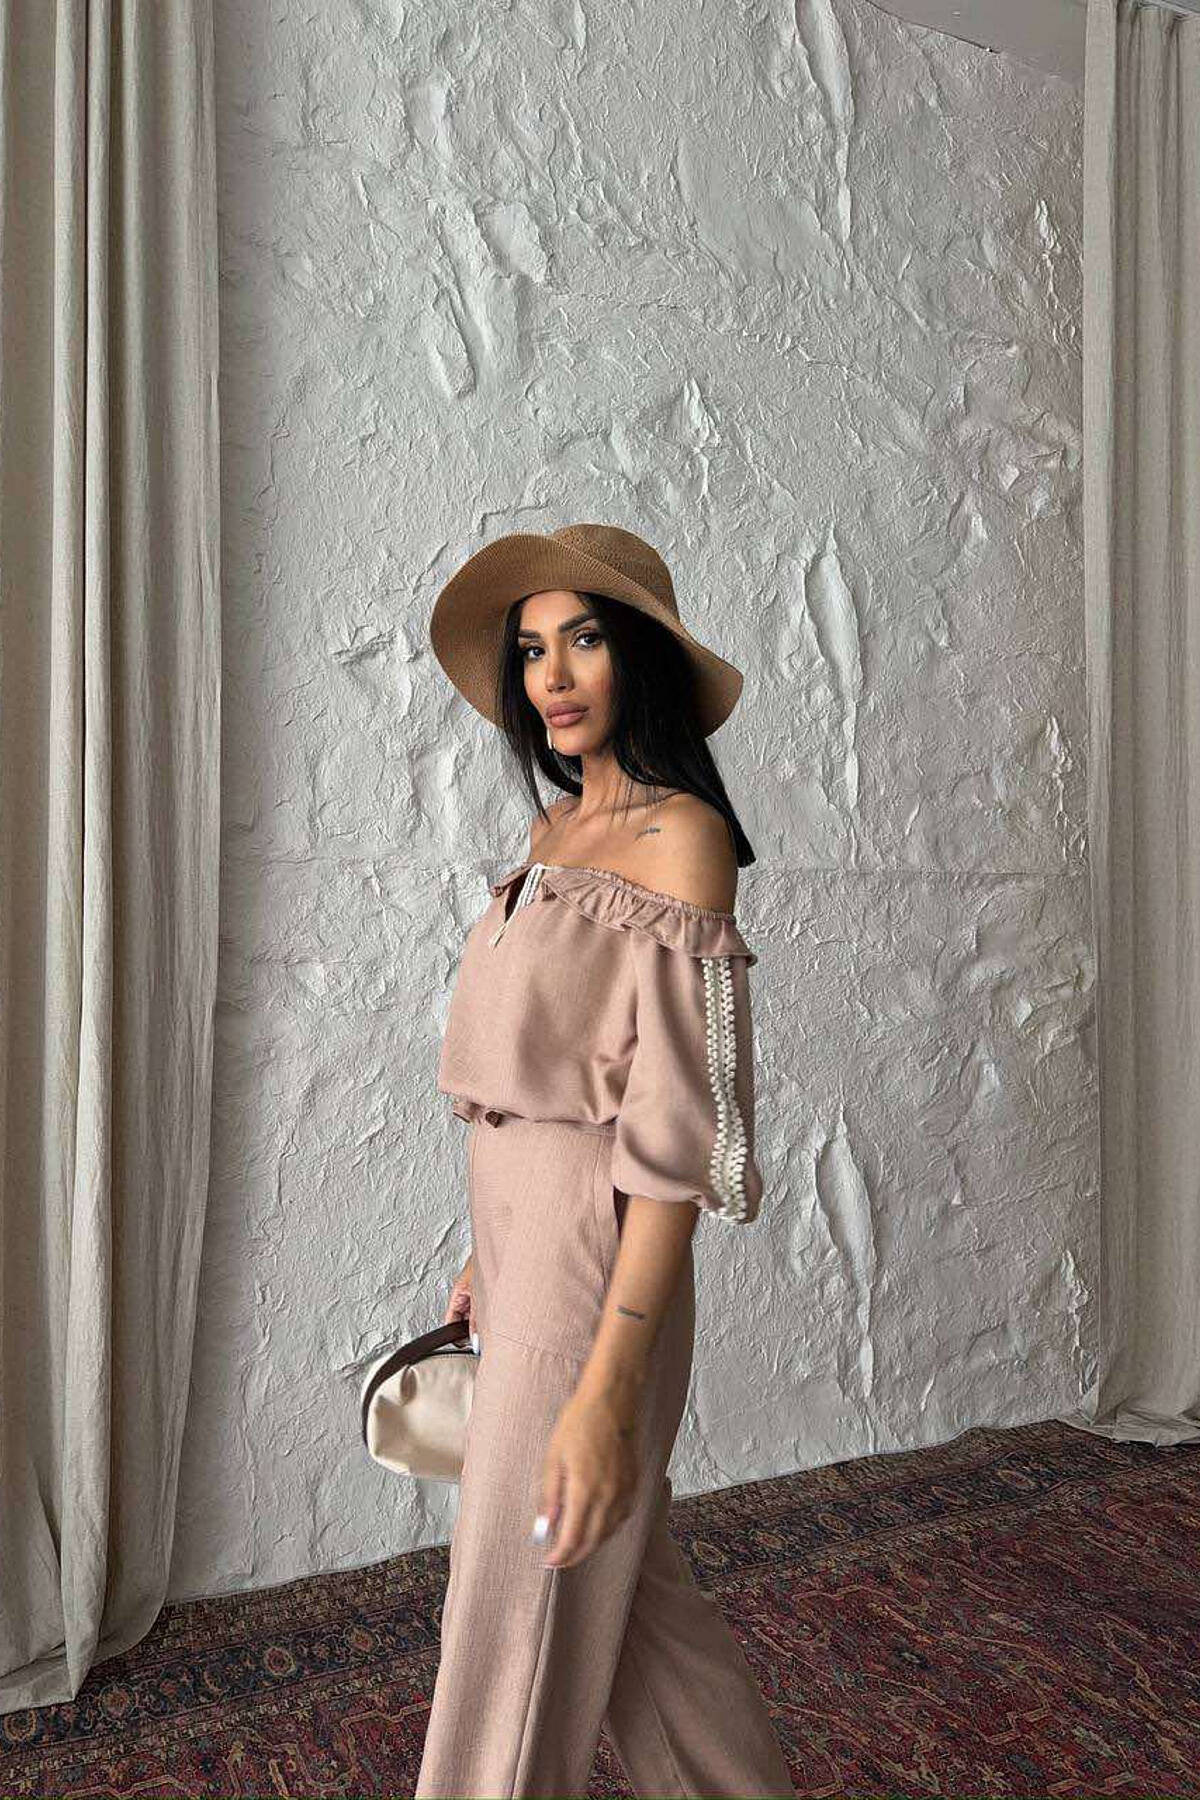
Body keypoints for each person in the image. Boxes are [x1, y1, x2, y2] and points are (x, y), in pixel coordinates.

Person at [416, 522, 797, 1799]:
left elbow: (672, 1138)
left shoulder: (682, 839)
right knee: (631, 1603)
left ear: (639, 655)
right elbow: (531, 1081)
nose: (553, 676)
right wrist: (485, 1254)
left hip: (599, 1265)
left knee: (512, 1609)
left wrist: (605, 1389)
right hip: (521, 1250)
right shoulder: (550, 838)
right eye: (532, 650)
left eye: (583, 638)